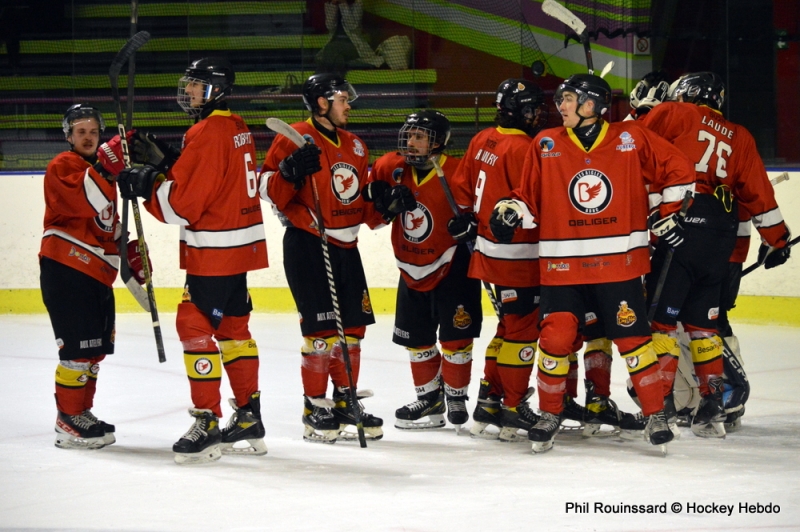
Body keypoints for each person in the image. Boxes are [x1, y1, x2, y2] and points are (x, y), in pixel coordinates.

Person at [492, 73, 696, 453]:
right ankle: (550, 412)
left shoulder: (630, 138)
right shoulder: (546, 142)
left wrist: (670, 211)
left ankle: (654, 415)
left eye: (568, 99)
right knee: (554, 340)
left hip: (617, 265)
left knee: (634, 341)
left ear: (591, 104)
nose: (561, 106)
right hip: (561, 266)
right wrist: (509, 209)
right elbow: (528, 196)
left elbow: (679, 168)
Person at [117, 58, 269, 464]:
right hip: (240, 247)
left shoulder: (205, 132)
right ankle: (249, 416)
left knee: (193, 325)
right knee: (234, 328)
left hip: (214, 249)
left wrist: (146, 183)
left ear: (215, 89)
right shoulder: (236, 126)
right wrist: (166, 162)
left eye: (197, 86)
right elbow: (213, 177)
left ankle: (208, 421)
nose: (188, 92)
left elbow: (181, 206)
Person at [636, 72, 792, 438]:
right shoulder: (740, 134)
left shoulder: (676, 113)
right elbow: (759, 195)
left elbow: (633, 146)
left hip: (683, 221)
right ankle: (713, 402)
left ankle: (660, 405)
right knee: (703, 324)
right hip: (722, 233)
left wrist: (636, 115)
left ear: (684, 94)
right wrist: (778, 239)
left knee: (661, 322)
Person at [260, 73, 408, 443]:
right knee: (321, 334)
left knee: (353, 332)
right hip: (309, 243)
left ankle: (345, 400)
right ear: (322, 103)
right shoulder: (294, 135)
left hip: (346, 248)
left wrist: (385, 207)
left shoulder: (356, 146)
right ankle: (314, 408)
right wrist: (289, 172)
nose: (349, 105)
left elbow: (358, 208)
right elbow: (267, 189)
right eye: (342, 98)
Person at [367, 110, 482, 431]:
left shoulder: (459, 172)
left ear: (439, 143)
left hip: (454, 264)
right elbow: (372, 219)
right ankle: (429, 398)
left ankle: (456, 396)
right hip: (410, 266)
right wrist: (386, 207)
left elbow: (482, 216)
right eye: (409, 134)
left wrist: (470, 226)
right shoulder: (390, 167)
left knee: (457, 337)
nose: (411, 141)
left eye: (420, 136)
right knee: (416, 339)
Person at [449, 79, 548, 442]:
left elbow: (462, 192)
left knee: (507, 328)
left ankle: (489, 400)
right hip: (518, 254)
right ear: (520, 110)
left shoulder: (483, 138)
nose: (538, 113)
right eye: (533, 107)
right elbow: (538, 202)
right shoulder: (523, 147)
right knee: (522, 330)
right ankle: (512, 405)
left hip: (487, 251)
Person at [41, 104, 142, 449]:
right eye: (80, 132)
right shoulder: (62, 166)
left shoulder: (105, 176)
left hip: (97, 273)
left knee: (93, 351)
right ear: (68, 136)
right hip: (67, 268)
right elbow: (81, 200)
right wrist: (107, 167)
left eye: (93, 132)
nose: (87, 137)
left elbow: (105, 227)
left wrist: (128, 254)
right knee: (76, 351)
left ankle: (82, 411)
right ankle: (67, 420)